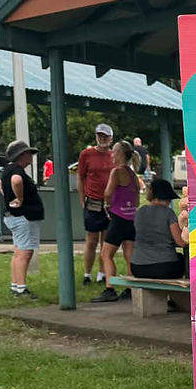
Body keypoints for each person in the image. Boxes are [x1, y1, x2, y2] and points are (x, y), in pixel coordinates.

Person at [91, 142, 141, 303]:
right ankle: (130, 288)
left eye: (113, 152)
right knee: (129, 255)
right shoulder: (133, 174)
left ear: (119, 154)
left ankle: (109, 288)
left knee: (106, 254)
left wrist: (107, 204)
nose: (111, 154)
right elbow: (137, 200)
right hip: (131, 218)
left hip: (118, 218)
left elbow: (107, 192)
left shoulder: (117, 171)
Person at [0, 139, 44, 298]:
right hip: (24, 217)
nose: (30, 156)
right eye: (28, 153)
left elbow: (0, 183)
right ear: (22, 155)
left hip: (14, 216)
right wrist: (19, 198)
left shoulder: (7, 170)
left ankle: (15, 284)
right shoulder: (17, 171)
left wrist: (7, 196)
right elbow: (16, 181)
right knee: (25, 252)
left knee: (18, 252)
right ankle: (21, 288)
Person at [76, 122, 114, 285]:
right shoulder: (87, 154)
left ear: (110, 138)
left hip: (109, 203)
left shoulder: (113, 156)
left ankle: (102, 272)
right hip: (93, 200)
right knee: (91, 239)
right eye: (99, 135)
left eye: (105, 136)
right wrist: (82, 199)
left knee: (106, 241)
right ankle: (87, 273)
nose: (102, 139)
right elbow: (80, 176)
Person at [131, 177, 186, 280]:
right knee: (181, 258)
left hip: (138, 267)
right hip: (165, 267)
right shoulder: (168, 213)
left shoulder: (139, 212)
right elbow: (181, 242)